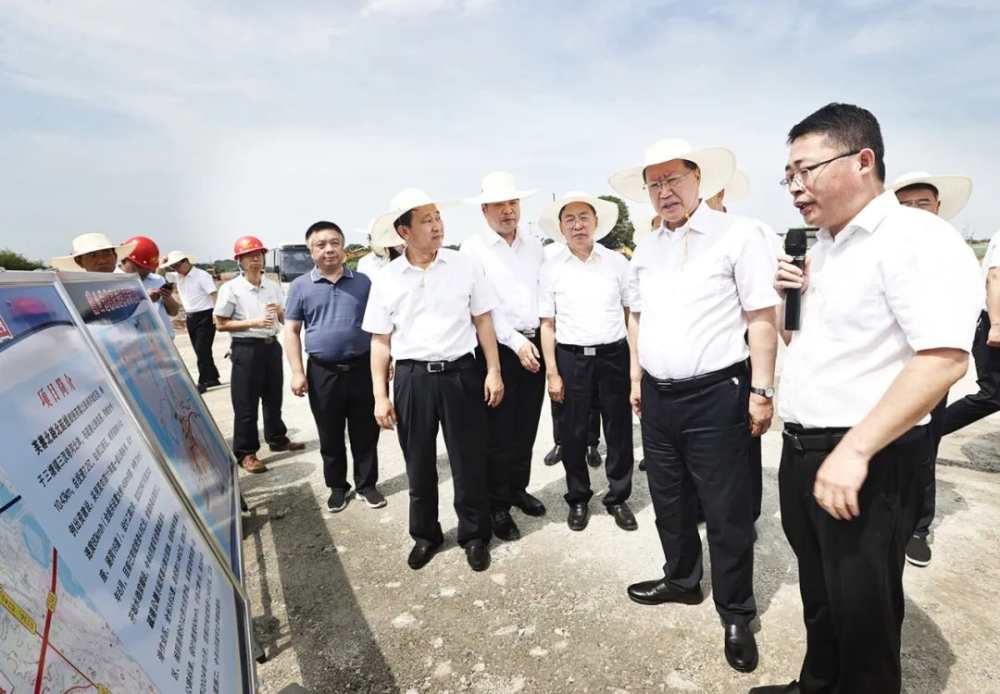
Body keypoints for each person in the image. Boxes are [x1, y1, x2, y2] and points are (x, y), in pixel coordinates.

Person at [753, 103, 982, 694]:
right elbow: (805, 345)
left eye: (805, 170)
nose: (794, 187)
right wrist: (788, 299)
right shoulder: (824, 247)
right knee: (821, 593)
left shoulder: (916, 238)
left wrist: (855, 451)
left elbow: (944, 359)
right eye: (788, 175)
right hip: (805, 450)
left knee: (864, 613)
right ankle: (817, 684)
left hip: (866, 457)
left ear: (862, 160)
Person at [610, 138, 779, 673]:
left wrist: (762, 390)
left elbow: (761, 316)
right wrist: (636, 377)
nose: (665, 192)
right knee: (669, 499)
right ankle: (682, 579)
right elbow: (638, 317)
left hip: (716, 397)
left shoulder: (738, 234)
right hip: (658, 397)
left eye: (674, 179)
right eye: (654, 184)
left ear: (699, 179)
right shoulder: (646, 246)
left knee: (727, 512)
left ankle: (737, 611)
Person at [362, 187, 504, 573]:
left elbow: (483, 320)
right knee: (419, 462)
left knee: (468, 459)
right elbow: (380, 341)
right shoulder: (387, 278)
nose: (437, 225)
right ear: (404, 232)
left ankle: (475, 535)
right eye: (426, 220)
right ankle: (425, 535)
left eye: (438, 217)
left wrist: (493, 370)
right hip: (412, 379)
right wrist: (380, 395)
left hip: (461, 373)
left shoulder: (464, 265)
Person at [889, 170, 974, 567]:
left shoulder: (951, 252)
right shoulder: (885, 248)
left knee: (924, 447)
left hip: (930, 368)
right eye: (904, 204)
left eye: (922, 202)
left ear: (938, 206)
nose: (914, 210)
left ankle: (919, 528)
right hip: (885, 368)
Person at [538, 191, 636, 533]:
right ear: (561, 228)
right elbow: (547, 324)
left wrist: (635, 366)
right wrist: (552, 373)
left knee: (618, 430)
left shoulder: (617, 263)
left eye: (584, 218)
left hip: (614, 356)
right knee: (573, 432)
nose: (578, 225)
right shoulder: (551, 269)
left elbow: (631, 313)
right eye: (570, 219)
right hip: (572, 359)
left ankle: (618, 497)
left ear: (596, 222)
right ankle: (578, 497)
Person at [460, 171, 548, 540]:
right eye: (499, 204)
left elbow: (543, 294)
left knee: (526, 427)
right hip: (497, 350)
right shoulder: (472, 250)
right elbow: (483, 309)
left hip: (535, 344)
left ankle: (517, 489)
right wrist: (515, 341)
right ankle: (497, 505)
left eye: (513, 202)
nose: (508, 210)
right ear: (484, 210)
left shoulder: (535, 245)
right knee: (498, 433)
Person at [284, 221, 386, 512]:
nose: (329, 249)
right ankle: (338, 487)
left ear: (344, 248)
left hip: (362, 368)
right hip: (322, 372)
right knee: (329, 433)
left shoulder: (364, 283)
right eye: (321, 245)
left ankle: (367, 485)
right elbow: (291, 331)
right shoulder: (300, 286)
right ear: (311, 251)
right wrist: (297, 372)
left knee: (366, 431)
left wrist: (385, 362)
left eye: (334, 243)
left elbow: (380, 327)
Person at [214, 235, 305, 474]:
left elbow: (285, 320)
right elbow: (220, 323)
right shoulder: (231, 289)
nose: (255, 259)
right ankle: (246, 453)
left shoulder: (272, 287)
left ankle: (277, 438)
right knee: (246, 403)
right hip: (246, 349)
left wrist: (280, 311)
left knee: (273, 398)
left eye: (258, 254)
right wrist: (253, 322)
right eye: (248, 256)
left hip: (271, 346)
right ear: (239, 260)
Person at [941, 229, 1000, 438]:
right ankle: (926, 434)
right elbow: (995, 277)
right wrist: (996, 325)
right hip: (992, 320)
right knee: (993, 394)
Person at [161, 250, 221, 393]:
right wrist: (162, 263)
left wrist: (217, 314)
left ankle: (203, 381)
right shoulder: (177, 276)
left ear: (186, 262)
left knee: (202, 349)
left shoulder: (202, 275)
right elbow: (160, 274)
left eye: (178, 265)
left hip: (206, 315)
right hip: (191, 317)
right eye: (173, 266)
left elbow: (213, 293)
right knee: (199, 350)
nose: (176, 268)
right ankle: (212, 377)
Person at [119, 236, 180, 340]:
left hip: (165, 342)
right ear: (124, 260)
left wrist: (167, 297)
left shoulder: (157, 280)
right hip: (135, 344)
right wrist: (144, 298)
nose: (145, 271)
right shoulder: (112, 284)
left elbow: (174, 312)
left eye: (148, 268)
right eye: (139, 266)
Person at [49, 232, 136, 273]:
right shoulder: (73, 291)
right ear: (79, 262)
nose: (102, 261)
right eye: (93, 255)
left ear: (115, 256)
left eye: (107, 254)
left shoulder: (131, 287)